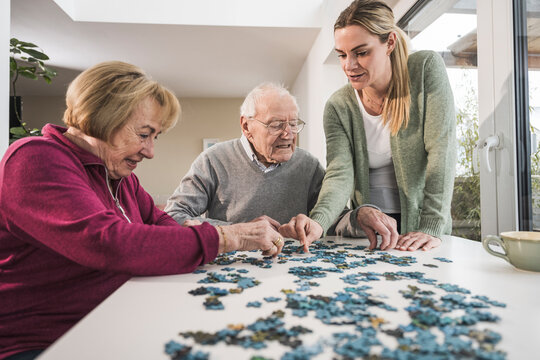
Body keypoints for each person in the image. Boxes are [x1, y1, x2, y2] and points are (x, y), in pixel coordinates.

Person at [0, 62, 284, 360]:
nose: (150, 151)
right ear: (102, 119)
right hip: (41, 343)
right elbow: (109, 244)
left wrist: (226, 235)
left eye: (155, 137)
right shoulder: (34, 158)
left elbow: (162, 224)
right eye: (143, 134)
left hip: (115, 322)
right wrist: (229, 237)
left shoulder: (122, 179)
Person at [280, 0, 456, 252]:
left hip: (422, 229)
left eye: (361, 52)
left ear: (390, 43)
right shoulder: (338, 106)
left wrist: (431, 225)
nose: (349, 66)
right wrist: (318, 222)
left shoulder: (425, 70)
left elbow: (442, 151)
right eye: (342, 54)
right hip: (369, 233)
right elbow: (340, 173)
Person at [165, 82, 325, 228]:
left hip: (295, 259)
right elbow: (173, 216)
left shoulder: (309, 165)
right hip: (232, 259)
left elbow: (333, 218)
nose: (288, 134)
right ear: (246, 126)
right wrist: (240, 231)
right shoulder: (213, 160)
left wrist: (315, 224)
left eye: (293, 123)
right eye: (276, 125)